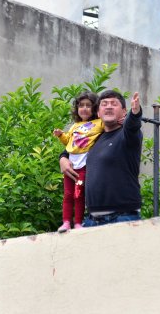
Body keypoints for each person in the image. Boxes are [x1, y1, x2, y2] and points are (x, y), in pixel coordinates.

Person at [60, 90, 142, 227]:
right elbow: (76, 145)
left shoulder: (127, 135)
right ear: (98, 113)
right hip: (92, 219)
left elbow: (133, 125)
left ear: (123, 112)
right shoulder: (96, 138)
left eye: (114, 104)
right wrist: (63, 157)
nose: (109, 106)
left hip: (122, 216)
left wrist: (135, 113)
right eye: (104, 104)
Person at [53, 92, 104, 231]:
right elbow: (68, 141)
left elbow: (109, 127)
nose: (84, 108)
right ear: (77, 109)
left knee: (78, 194)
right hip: (71, 164)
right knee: (68, 194)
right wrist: (60, 135)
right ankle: (65, 222)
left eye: (88, 105)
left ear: (94, 109)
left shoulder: (99, 122)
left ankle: (77, 223)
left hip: (84, 165)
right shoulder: (75, 126)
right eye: (81, 106)